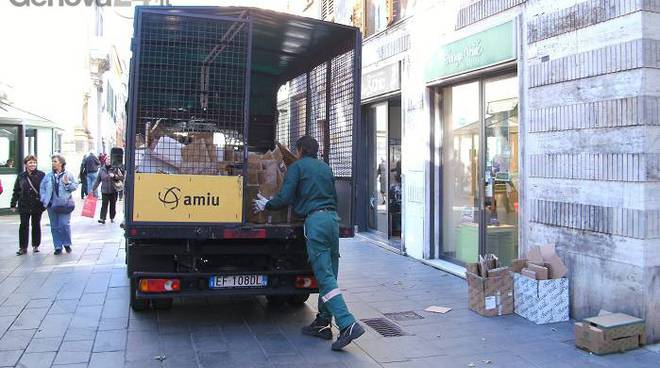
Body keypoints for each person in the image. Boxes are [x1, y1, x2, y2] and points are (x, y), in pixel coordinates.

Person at [253, 135, 364, 351]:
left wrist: (268, 204)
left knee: (324, 277)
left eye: (297, 150)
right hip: (333, 221)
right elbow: (327, 194)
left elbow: (285, 197)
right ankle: (323, 323)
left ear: (301, 150)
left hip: (316, 223)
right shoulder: (325, 168)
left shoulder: (297, 167)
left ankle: (347, 324)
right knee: (330, 273)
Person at [40, 154, 78, 255]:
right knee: (54, 226)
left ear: (61, 163)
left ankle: (66, 243)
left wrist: (67, 183)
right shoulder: (48, 176)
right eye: (52, 162)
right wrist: (44, 198)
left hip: (64, 204)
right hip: (51, 205)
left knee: (64, 224)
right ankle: (57, 246)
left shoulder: (68, 174)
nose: (53, 163)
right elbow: (42, 188)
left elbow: (75, 186)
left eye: (55, 161)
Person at [10, 155, 46, 255]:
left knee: (36, 225)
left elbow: (45, 190)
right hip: (24, 204)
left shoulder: (41, 175)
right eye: (30, 162)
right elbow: (16, 190)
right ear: (26, 164)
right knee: (23, 226)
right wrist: (13, 204)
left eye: (34, 163)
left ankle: (35, 245)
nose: (32, 164)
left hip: (37, 204)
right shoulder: (21, 176)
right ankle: (23, 247)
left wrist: (45, 204)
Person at [92, 153, 123, 224]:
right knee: (104, 205)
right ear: (105, 160)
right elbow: (98, 180)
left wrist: (114, 176)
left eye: (110, 160)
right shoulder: (101, 170)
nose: (108, 161)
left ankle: (112, 217)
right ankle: (102, 218)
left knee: (113, 205)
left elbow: (121, 177)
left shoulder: (115, 168)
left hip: (113, 190)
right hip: (104, 191)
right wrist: (93, 188)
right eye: (107, 159)